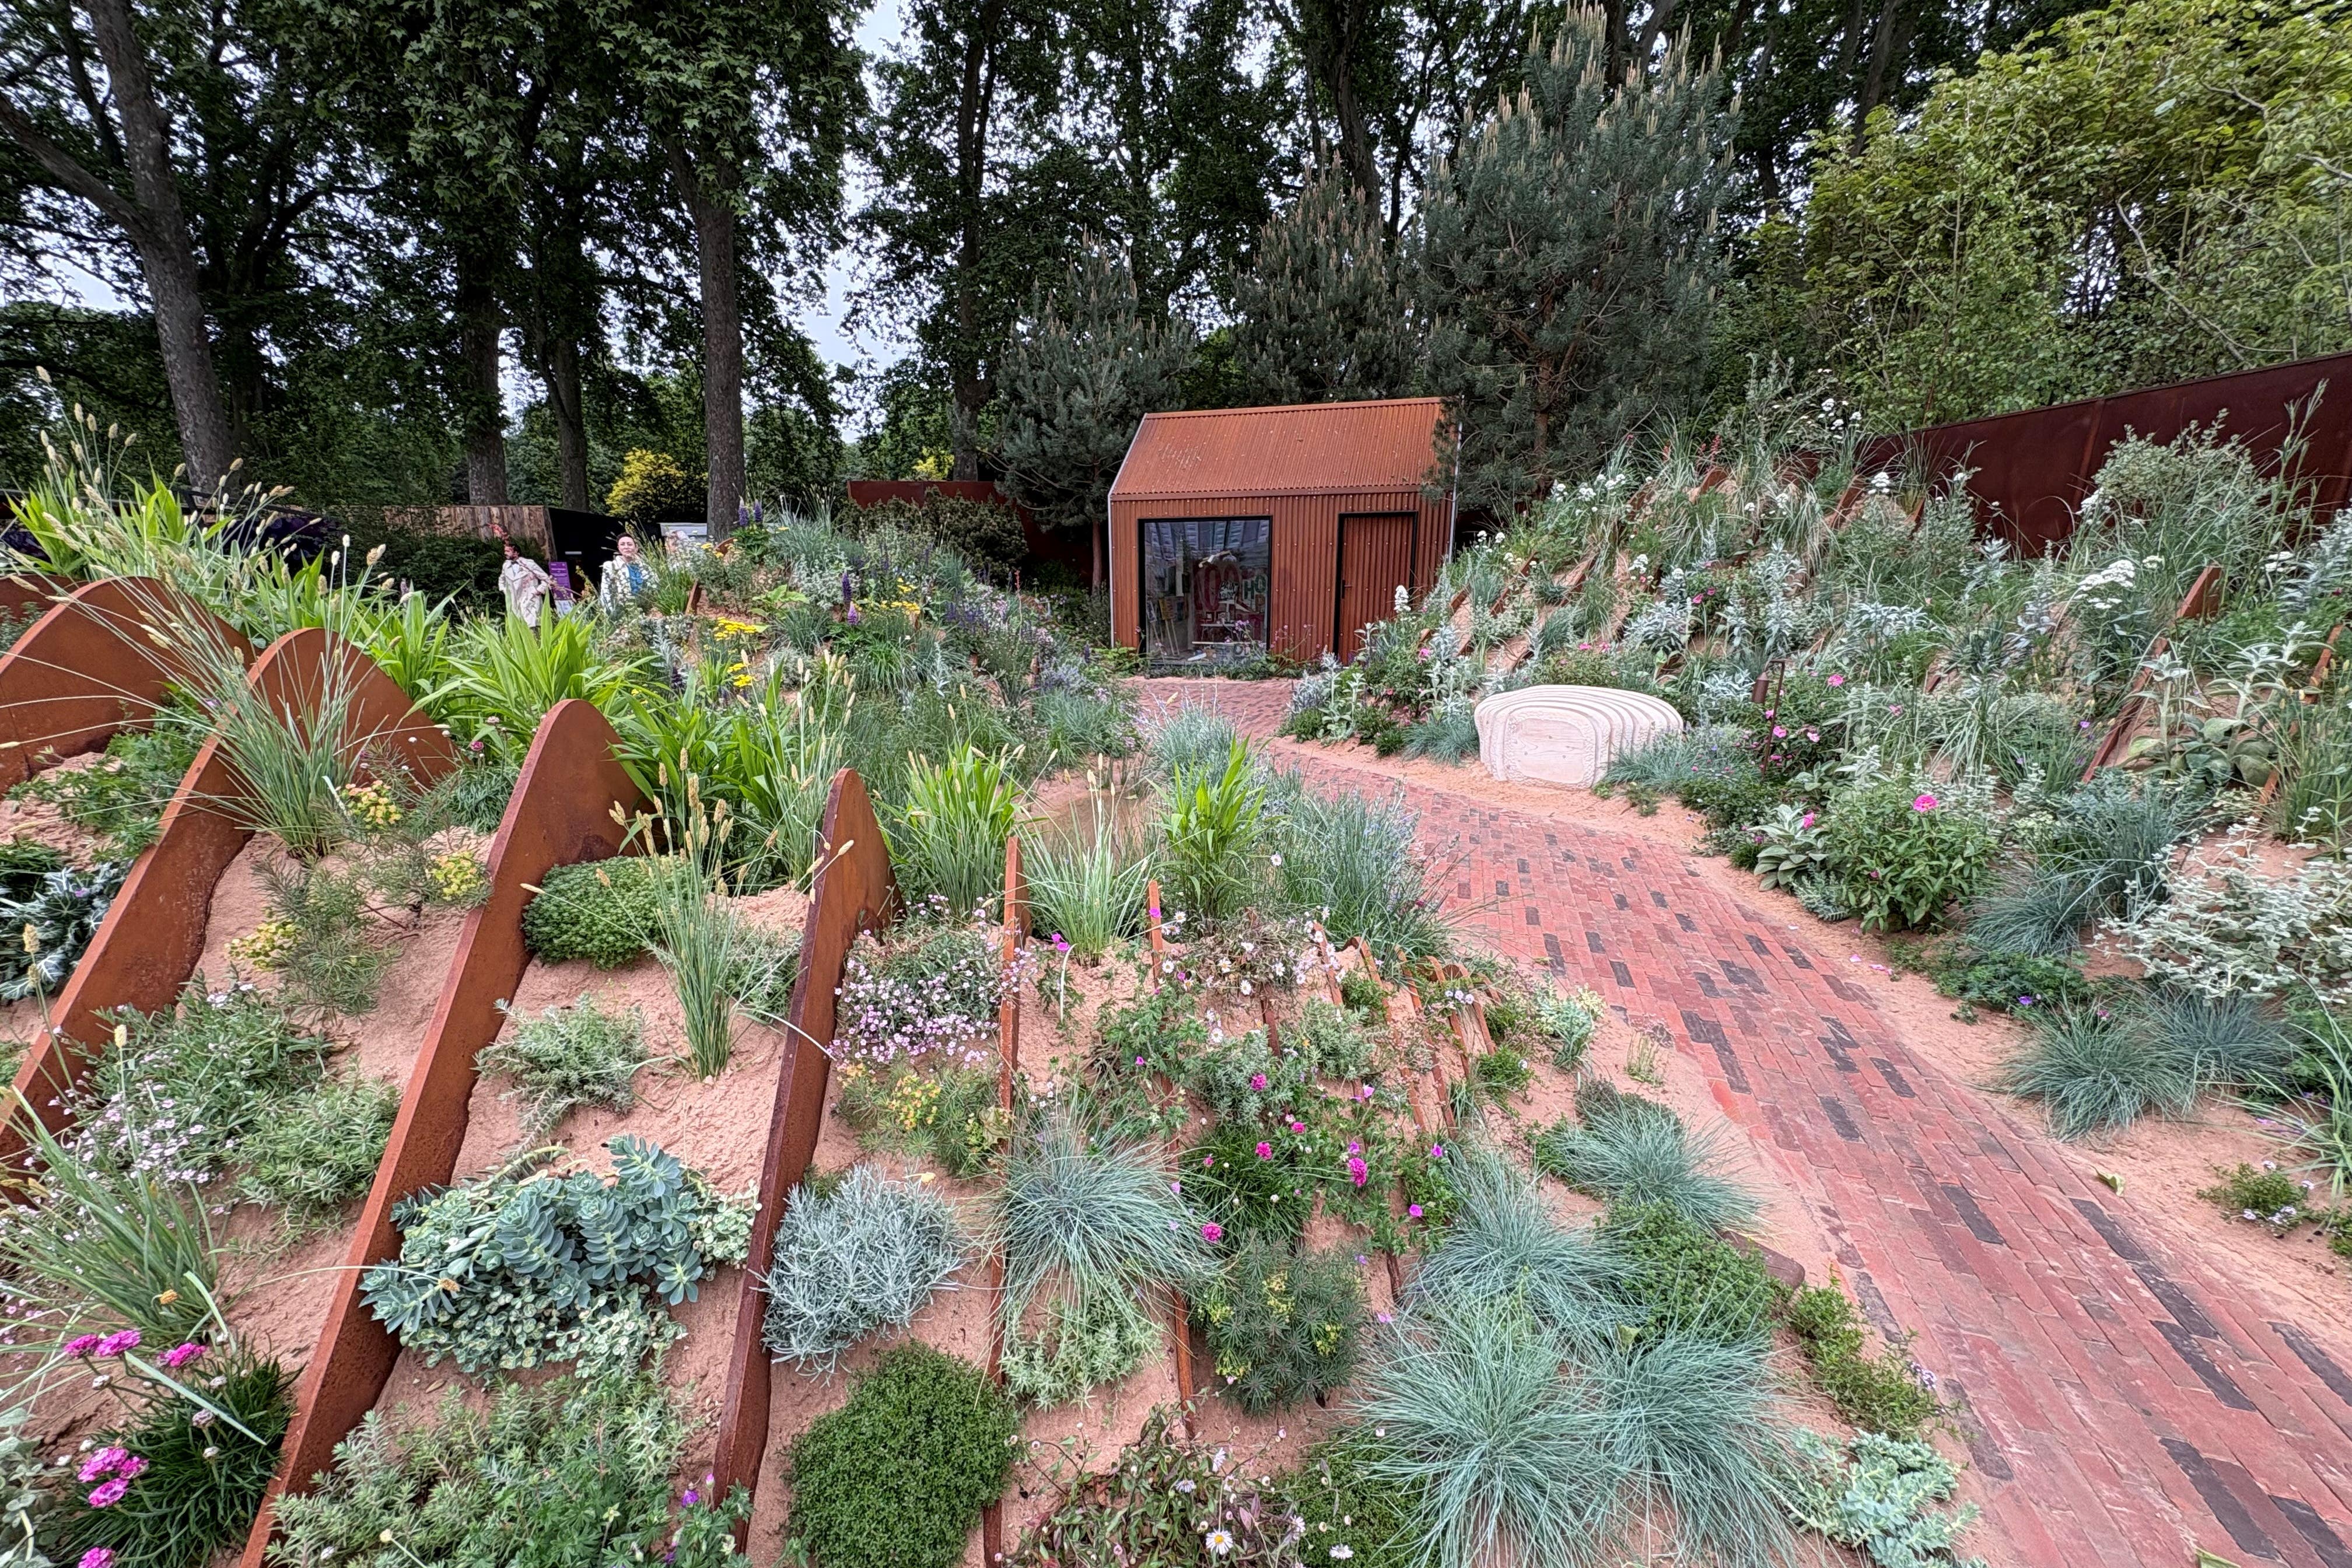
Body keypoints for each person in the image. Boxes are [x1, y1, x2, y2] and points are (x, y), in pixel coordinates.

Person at [498, 542, 554, 628]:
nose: (505, 553)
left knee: (532, 628)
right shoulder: (506, 566)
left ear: (516, 553)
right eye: (505, 551)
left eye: (508, 551)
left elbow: (546, 579)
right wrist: (506, 591)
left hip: (530, 601)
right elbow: (501, 580)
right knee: (519, 628)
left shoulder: (528, 564)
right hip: (515, 603)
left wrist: (537, 591)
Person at [600, 533, 654, 614]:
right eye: (622, 544)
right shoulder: (611, 566)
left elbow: (654, 586)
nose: (626, 547)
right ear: (619, 548)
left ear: (636, 547)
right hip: (624, 611)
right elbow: (606, 592)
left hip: (647, 610)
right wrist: (610, 613)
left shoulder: (646, 566)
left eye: (629, 544)